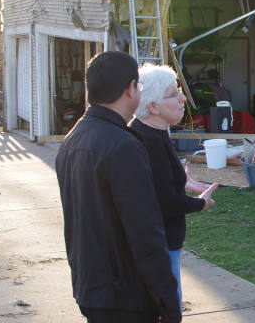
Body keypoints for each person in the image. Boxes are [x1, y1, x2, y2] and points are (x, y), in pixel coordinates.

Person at [55, 51, 181, 323]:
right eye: (139, 86)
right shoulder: (123, 146)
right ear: (131, 89)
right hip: (125, 296)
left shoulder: (73, 138)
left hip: (92, 288)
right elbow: (145, 233)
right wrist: (168, 302)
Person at [130, 64, 218, 309]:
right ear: (153, 107)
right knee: (168, 309)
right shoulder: (148, 141)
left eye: (179, 91)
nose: (182, 99)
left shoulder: (153, 133)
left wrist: (181, 180)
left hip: (161, 243)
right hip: (159, 246)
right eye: (173, 94)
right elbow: (166, 202)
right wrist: (201, 202)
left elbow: (160, 184)